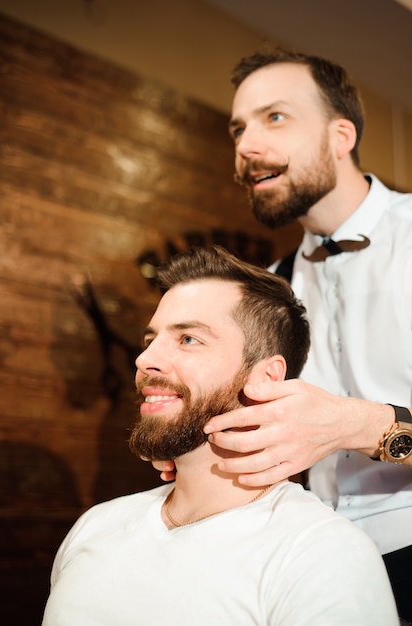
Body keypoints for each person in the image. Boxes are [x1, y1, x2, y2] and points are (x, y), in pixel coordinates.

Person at [152, 49, 412, 622]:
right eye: (238, 128)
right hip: (311, 562)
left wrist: (359, 423)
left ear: (341, 135)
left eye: (275, 117)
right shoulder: (272, 288)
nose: (246, 146)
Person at [41, 246, 398, 625]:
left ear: (266, 378)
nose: (144, 360)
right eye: (150, 341)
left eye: (188, 339)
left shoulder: (321, 554)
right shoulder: (95, 527)